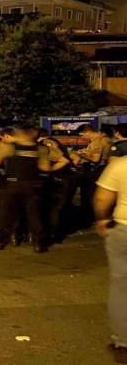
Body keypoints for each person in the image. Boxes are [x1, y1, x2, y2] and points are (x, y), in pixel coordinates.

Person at [0, 126, 51, 252]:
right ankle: (37, 242)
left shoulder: (10, 147)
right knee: (34, 214)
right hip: (32, 185)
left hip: (12, 184)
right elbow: (45, 168)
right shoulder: (40, 149)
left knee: (4, 212)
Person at [94, 156, 127, 363]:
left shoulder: (121, 164)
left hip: (124, 230)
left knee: (121, 287)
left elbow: (102, 198)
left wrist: (102, 220)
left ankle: (123, 344)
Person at [37, 128, 75, 243]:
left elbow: (64, 160)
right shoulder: (51, 142)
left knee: (54, 208)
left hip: (59, 178)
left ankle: (54, 233)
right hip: (60, 178)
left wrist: (49, 170)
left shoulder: (47, 143)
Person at [74, 124, 112, 229]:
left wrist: (81, 154)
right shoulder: (106, 139)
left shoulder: (97, 142)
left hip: (94, 171)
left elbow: (95, 159)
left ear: (88, 132)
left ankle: (89, 219)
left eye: (82, 135)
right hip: (102, 170)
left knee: (88, 195)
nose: (83, 138)